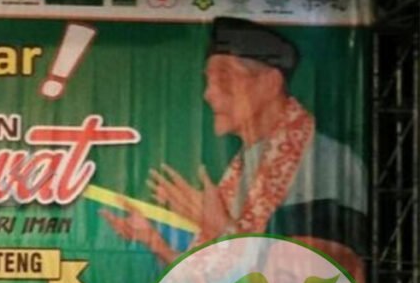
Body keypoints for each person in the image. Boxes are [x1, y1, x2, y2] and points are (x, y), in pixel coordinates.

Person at [102, 16, 367, 269]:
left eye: (225, 79)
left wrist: (222, 229)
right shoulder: (245, 167)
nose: (209, 93)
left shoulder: (326, 164)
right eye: (208, 80)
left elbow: (308, 281)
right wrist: (155, 242)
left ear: (271, 83)